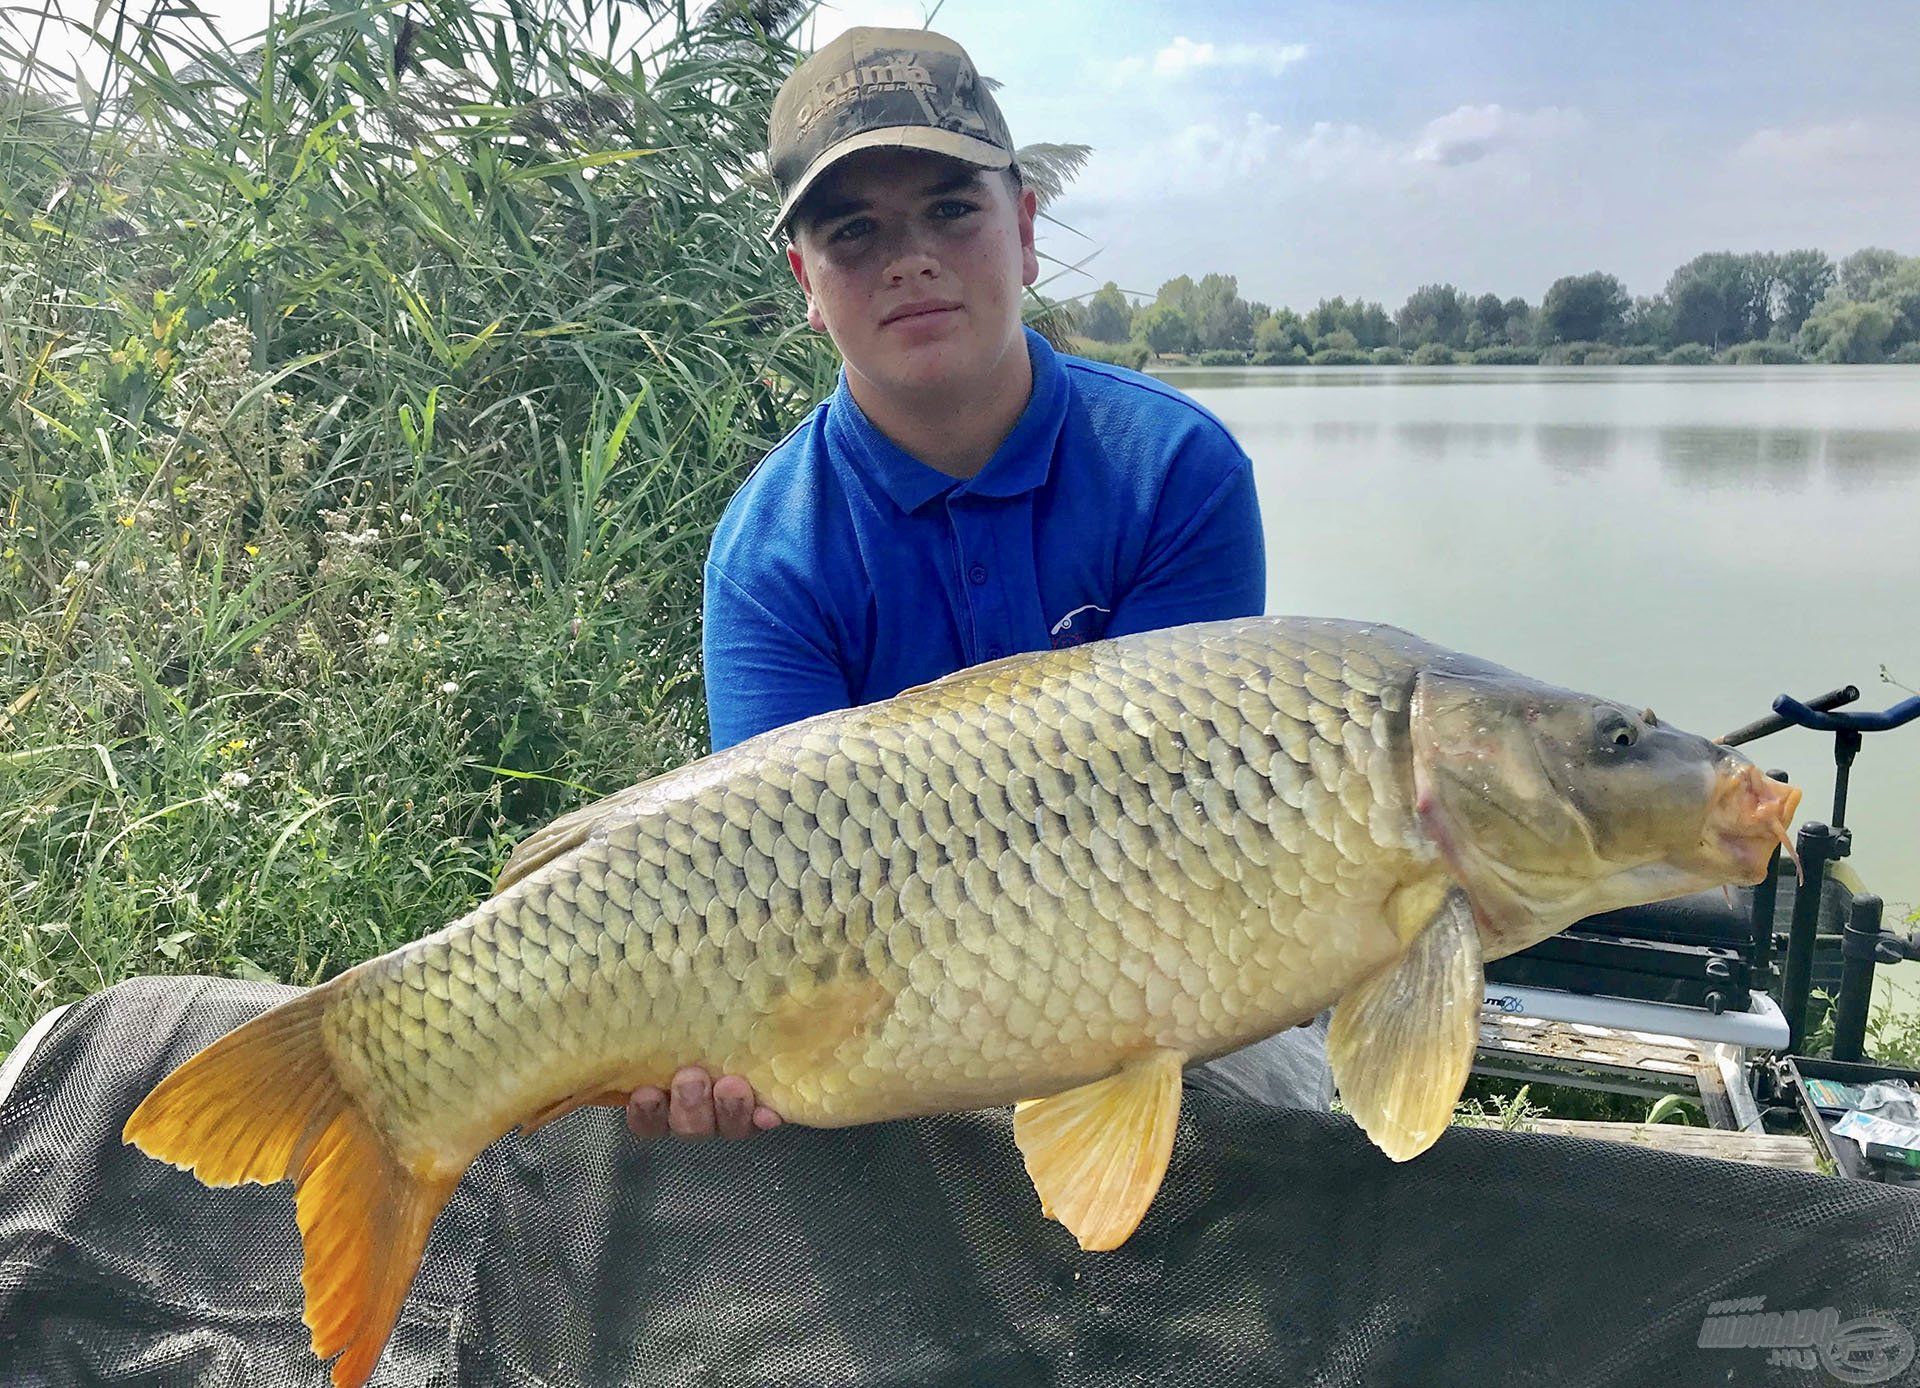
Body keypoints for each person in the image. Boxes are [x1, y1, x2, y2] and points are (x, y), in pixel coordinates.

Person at [626, 26, 1333, 1143]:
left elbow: (1172, 853)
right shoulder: (769, 557)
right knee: (743, 1100)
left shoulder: (1174, 471)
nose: (910, 258)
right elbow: (781, 898)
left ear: (1026, 228)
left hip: (1161, 947)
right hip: (884, 992)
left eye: (952, 210)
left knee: (1283, 1112)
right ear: (808, 284)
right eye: (854, 233)